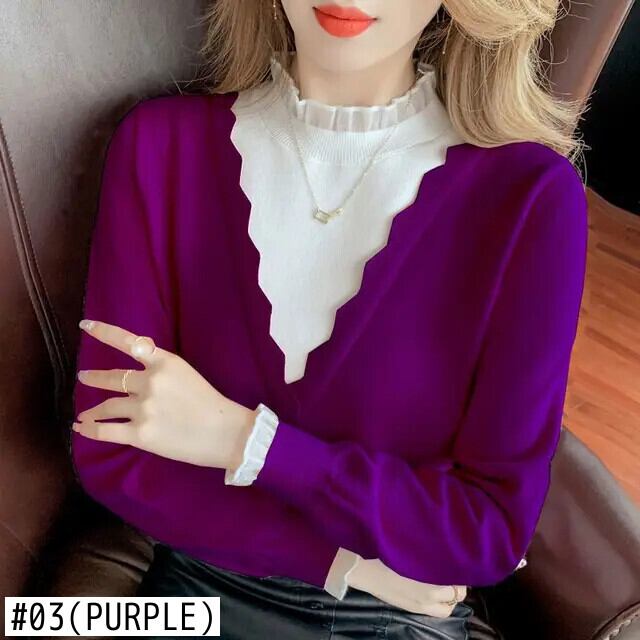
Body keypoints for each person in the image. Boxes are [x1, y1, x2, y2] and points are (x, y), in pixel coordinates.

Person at [70, 0, 589, 638]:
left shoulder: (531, 199)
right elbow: (112, 457)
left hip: (391, 621)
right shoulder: (159, 146)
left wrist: (245, 442)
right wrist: (342, 562)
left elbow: (486, 534)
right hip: (200, 588)